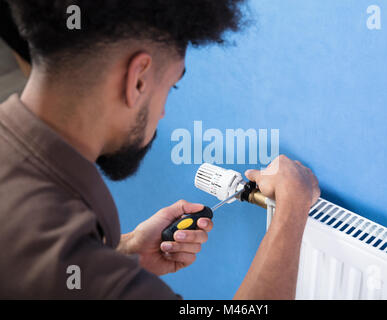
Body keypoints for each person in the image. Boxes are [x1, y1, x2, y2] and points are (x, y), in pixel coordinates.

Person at [0, 1, 320, 299]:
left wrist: (127, 254)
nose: (164, 112)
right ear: (138, 80)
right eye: (172, 86)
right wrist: (292, 209)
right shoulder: (58, 246)